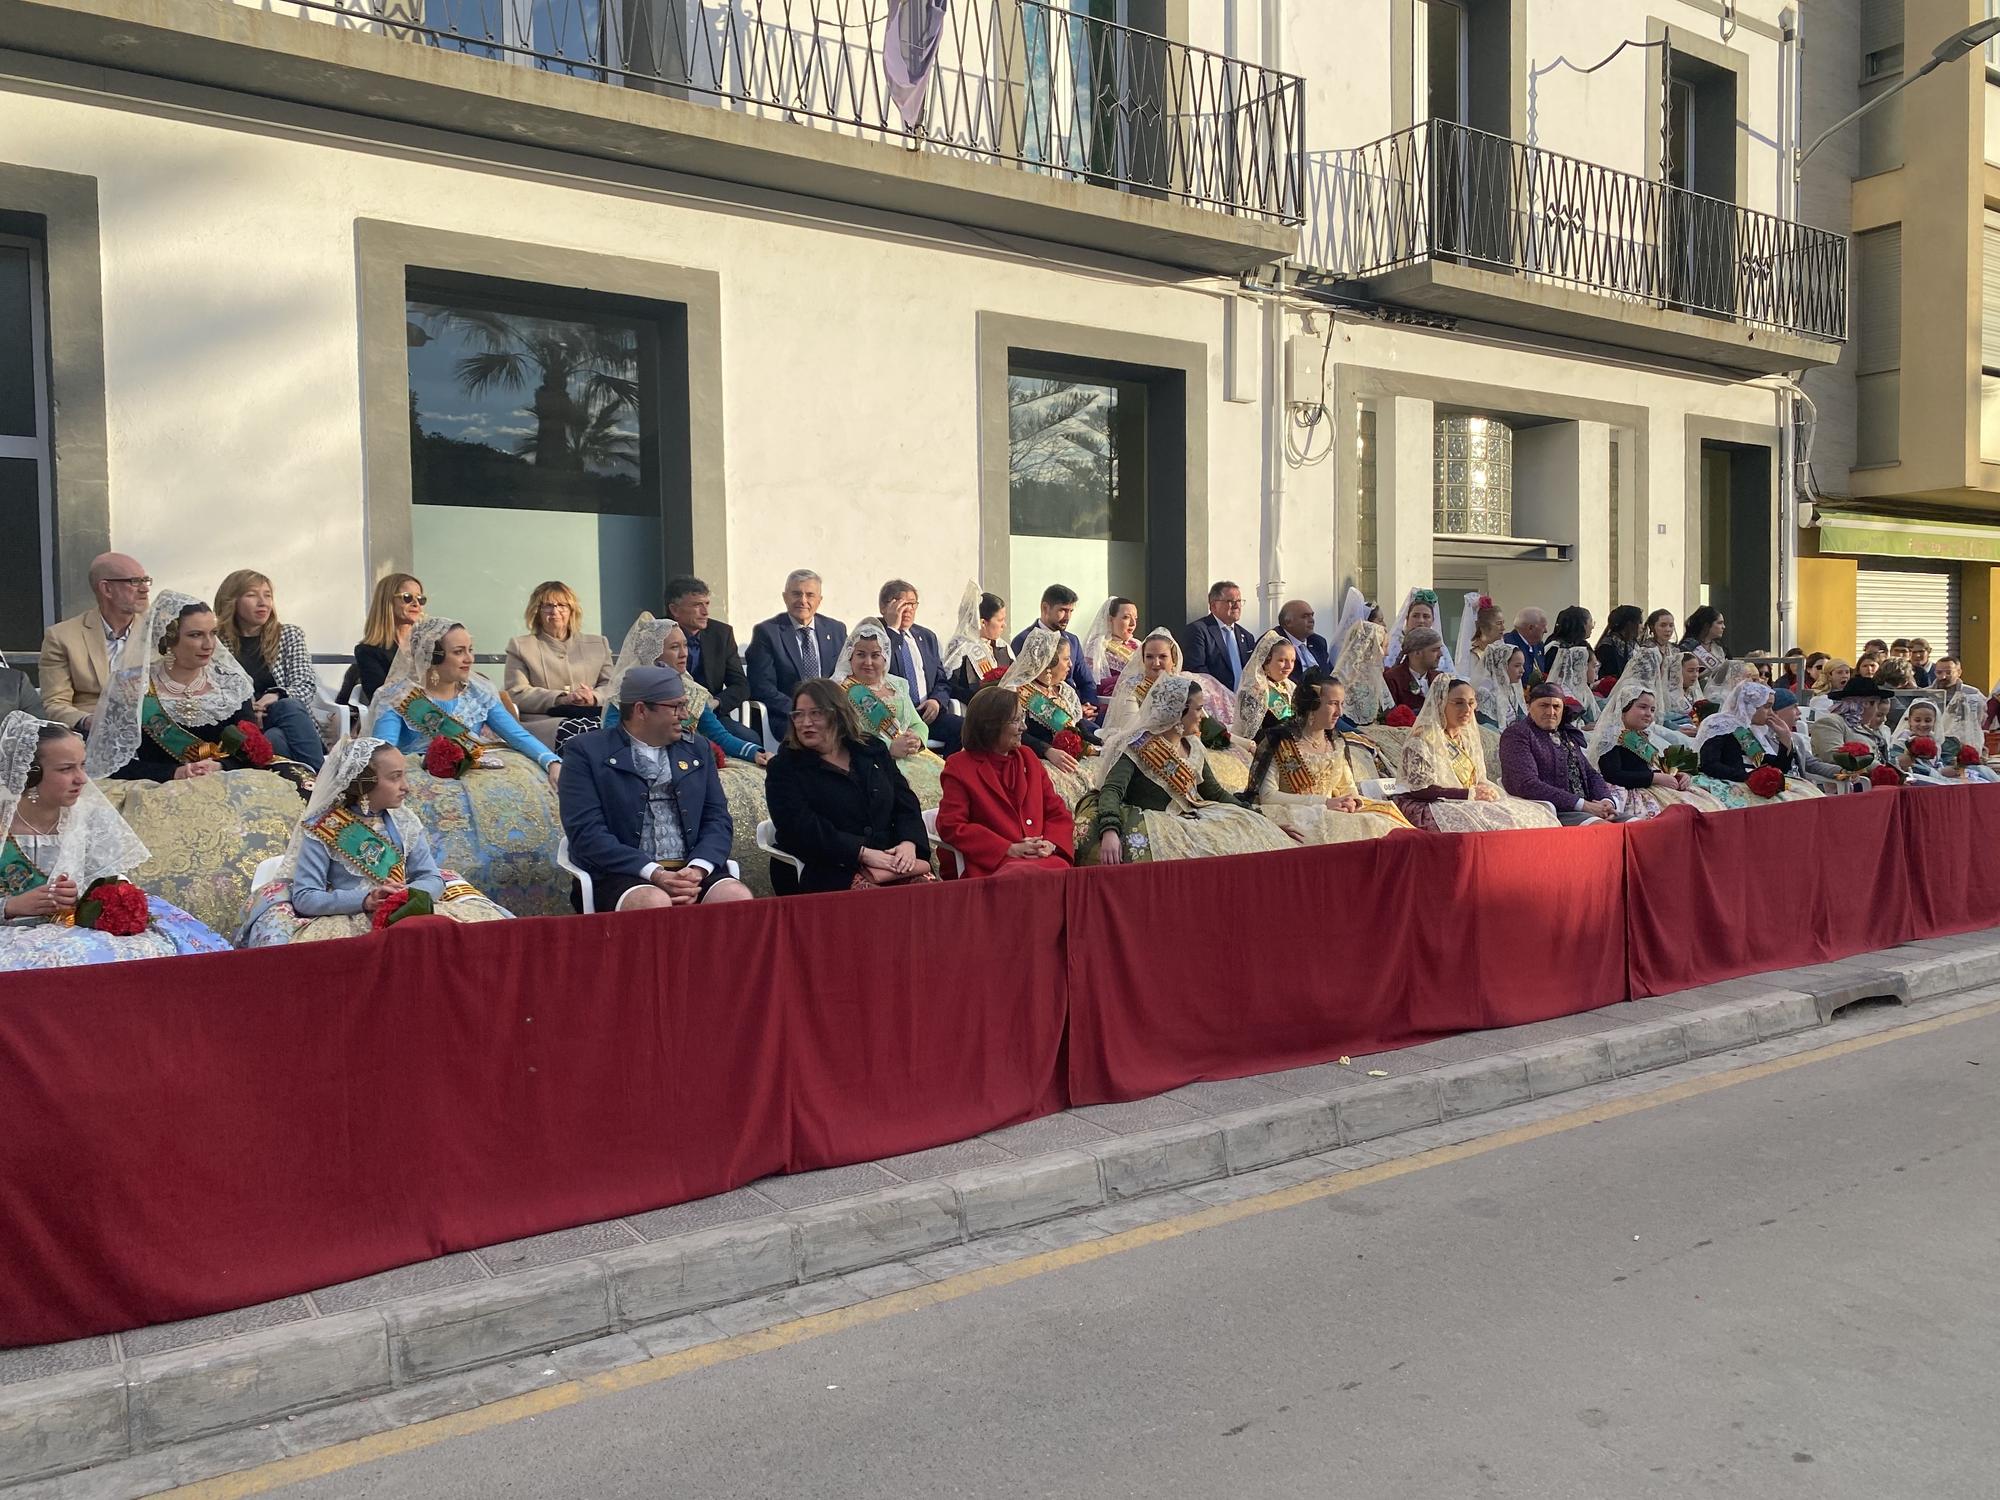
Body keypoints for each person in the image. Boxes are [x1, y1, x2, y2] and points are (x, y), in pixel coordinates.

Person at [1, 713, 231, 968]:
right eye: (66, 769)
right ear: (30, 772)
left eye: (83, 766)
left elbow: (111, 879)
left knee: (148, 952)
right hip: (12, 936)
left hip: (77, 930)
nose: (82, 779)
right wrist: (11, 906)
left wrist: (93, 897)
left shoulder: (87, 814)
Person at [239, 737, 512, 943]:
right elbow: (306, 898)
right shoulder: (322, 828)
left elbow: (431, 877)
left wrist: (409, 895)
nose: (406, 786)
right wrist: (366, 900)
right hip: (350, 918)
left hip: (406, 913)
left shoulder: (406, 822)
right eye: (395, 778)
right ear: (365, 784)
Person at [554, 664, 753, 911]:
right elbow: (586, 833)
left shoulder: (698, 749)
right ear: (641, 710)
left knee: (735, 896)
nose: (685, 714)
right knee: (653, 902)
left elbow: (718, 818)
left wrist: (698, 869)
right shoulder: (586, 752)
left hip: (692, 869)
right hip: (620, 872)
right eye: (676, 706)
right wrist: (654, 873)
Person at [83, 591, 301, 785]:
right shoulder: (130, 687)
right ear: (168, 639)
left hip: (228, 782)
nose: (209, 644)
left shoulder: (231, 684)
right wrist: (174, 773)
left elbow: (252, 748)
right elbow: (110, 764)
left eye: (213, 633)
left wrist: (220, 766)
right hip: (160, 789)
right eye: (195, 635)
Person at [1084, 673, 1293, 865]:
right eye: (1198, 708)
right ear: (1178, 712)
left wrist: (1258, 817)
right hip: (1158, 824)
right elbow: (1112, 790)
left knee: (1251, 836)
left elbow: (1214, 792)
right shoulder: (1138, 746)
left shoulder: (1193, 745)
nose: (1203, 715)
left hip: (1193, 817)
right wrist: (1110, 830)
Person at [763, 676, 932, 893]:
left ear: (838, 715)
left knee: (932, 897)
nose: (805, 723)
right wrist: (861, 853)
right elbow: (800, 828)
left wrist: (909, 843)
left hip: (888, 856)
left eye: (816, 713)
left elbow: (905, 801)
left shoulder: (871, 750)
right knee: (878, 903)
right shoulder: (784, 767)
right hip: (827, 866)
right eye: (799, 715)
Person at [366, 616, 561, 786]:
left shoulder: (478, 692)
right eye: (458, 652)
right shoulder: (398, 697)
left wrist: (551, 762)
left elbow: (517, 735)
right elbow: (383, 754)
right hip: (420, 776)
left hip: (476, 772)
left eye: (470, 650)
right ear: (433, 657)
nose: (469, 659)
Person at [1247, 675, 1413, 843]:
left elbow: (1347, 786)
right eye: (1333, 704)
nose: (1339, 713)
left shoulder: (1336, 743)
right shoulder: (1282, 742)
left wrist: (1351, 801)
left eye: (1341, 704)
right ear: (1313, 706)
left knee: (1388, 826)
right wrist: (1324, 803)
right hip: (1297, 815)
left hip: (1336, 811)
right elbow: (1268, 796)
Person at [936, 685, 1075, 879]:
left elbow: (1057, 811)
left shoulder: (1028, 758)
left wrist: (1050, 843)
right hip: (993, 865)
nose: (1024, 728)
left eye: (1022, 718)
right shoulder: (959, 766)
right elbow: (951, 825)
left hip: (1041, 858)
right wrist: (1009, 848)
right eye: (1016, 720)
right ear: (992, 725)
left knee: (1066, 876)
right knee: (1026, 876)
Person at [1393, 679, 1557, 832]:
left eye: (1471, 703)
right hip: (1429, 805)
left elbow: (1477, 779)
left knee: (1530, 813)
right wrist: (1468, 794)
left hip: (1465, 801)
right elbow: (1420, 790)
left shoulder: (1465, 738)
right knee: (1494, 822)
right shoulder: (1422, 741)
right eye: (1458, 703)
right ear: (1440, 704)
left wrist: (1488, 792)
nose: (1467, 710)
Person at [212, 569, 326, 772]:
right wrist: (248, 708)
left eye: (267, 595)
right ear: (232, 601)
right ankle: (321, 786)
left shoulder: (289, 635)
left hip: (288, 721)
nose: (263, 602)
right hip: (242, 722)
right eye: (252, 595)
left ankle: (315, 783)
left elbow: (306, 685)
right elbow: (212, 690)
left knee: (285, 709)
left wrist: (275, 695)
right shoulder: (216, 642)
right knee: (274, 738)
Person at [38, 551, 152, 732]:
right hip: (90, 735)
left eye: (145, 580)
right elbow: (55, 703)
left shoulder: (159, 632)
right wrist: (89, 721)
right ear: (106, 589)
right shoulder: (61, 636)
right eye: (134, 581)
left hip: (152, 730)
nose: (145, 589)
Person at [834, 620, 945, 804]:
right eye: (861, 655)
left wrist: (916, 739)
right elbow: (846, 736)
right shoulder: (841, 690)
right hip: (870, 762)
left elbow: (917, 723)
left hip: (911, 755)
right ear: (850, 657)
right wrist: (889, 747)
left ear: (885, 657)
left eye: (875, 655)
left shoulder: (898, 684)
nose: (868, 662)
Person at [504, 580, 613, 750]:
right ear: (537, 611)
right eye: (548, 606)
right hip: (546, 723)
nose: (555, 611)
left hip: (592, 714)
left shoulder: (598, 644)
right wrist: (561, 698)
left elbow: (612, 686)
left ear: (572, 610)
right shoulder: (521, 646)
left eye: (562, 605)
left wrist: (593, 697)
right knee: (577, 733)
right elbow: (516, 693)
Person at [999, 625, 1101, 806]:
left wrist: (1100, 743)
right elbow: (1014, 735)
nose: (1070, 665)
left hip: (1063, 757)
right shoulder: (1016, 691)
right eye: (1066, 659)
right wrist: (1048, 751)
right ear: (1048, 663)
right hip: (1031, 757)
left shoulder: (1065, 691)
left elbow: (1076, 727)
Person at [746, 569, 847, 742]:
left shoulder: (836, 630)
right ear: (785, 597)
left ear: (819, 600)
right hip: (789, 715)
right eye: (796, 594)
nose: (803, 601)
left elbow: (846, 675)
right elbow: (762, 687)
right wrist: (804, 711)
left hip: (831, 713)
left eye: (810, 595)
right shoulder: (768, 633)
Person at [1588, 683, 1719, 814]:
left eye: (1652, 710)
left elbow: (1655, 766)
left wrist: (1677, 775)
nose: (1648, 714)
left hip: (1652, 786)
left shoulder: (1642, 736)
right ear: (1623, 708)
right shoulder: (1611, 738)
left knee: (1707, 806)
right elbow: (1613, 775)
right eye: (1642, 707)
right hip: (1631, 792)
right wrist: (1654, 778)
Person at [1499, 683, 1621, 824]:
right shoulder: (1518, 734)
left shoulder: (1566, 734)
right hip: (1553, 811)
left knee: (1635, 825)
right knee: (1605, 830)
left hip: (1588, 809)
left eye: (1556, 706)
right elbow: (1526, 784)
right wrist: (1583, 805)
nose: (1551, 712)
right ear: (1529, 706)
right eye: (1543, 705)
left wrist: (1606, 802)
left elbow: (1591, 774)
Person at [873, 579, 961, 755]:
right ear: (884, 607)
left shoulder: (926, 637)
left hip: (927, 712)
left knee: (965, 728)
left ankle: (947, 775)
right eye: (901, 603)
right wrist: (892, 628)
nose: (908, 610)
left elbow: (941, 680)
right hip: (893, 716)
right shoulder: (875, 634)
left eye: (912, 604)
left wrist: (937, 701)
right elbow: (882, 664)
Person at [1696, 679, 1803, 800]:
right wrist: (1747, 776)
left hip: (1741, 782)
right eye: (1767, 707)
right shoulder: (1719, 725)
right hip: (1723, 785)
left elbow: (1770, 764)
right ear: (1751, 706)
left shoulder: (1742, 731)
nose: (1771, 713)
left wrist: (1785, 739)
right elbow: (1709, 765)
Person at [665, 575, 748, 722]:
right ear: (675, 610)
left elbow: (741, 686)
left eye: (707, 604)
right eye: (697, 605)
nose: (705, 612)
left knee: (749, 738)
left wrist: (715, 702)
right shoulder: (657, 633)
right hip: (668, 716)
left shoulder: (722, 634)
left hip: (713, 714)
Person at [346, 573, 425, 707]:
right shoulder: (368, 651)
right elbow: (381, 698)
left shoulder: (432, 644)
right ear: (387, 602)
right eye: (407, 597)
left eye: (420, 599)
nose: (416, 604)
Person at [1180, 580, 1259, 692]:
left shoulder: (1247, 636)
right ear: (1213, 606)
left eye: (1239, 601)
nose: (1236, 606)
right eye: (1231, 601)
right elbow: (1197, 671)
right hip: (1214, 702)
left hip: (1242, 703)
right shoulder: (1198, 631)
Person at [942, 583, 1012, 703]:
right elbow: (953, 687)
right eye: (1000, 620)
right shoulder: (961, 649)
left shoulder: (1003, 647)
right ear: (983, 623)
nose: (1004, 625)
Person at [1812, 674, 1895, 768]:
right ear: (1866, 704)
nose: (1876, 710)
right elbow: (1833, 757)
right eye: (1876, 704)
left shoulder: (1865, 727)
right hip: (1854, 780)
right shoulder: (1830, 722)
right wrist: (1878, 769)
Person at [1232, 632, 1298, 741]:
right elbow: (1250, 735)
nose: (1289, 666)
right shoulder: (1253, 691)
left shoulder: (1291, 687)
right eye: (1282, 660)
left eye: (1292, 661)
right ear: (1266, 661)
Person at [1329, 616, 1390, 725]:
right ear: (1370, 646)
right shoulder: (1341, 679)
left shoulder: (1376, 678)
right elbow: (1336, 719)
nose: (1386, 653)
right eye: (1383, 647)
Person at [1079, 595, 1142, 700]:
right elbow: (1095, 684)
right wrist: (1129, 679)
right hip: (1112, 704)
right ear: (1110, 619)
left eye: (1135, 618)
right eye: (1126, 617)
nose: (1133, 623)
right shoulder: (1097, 646)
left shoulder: (1137, 644)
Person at [1383, 588, 1453, 678]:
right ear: (1407, 618)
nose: (1421, 621)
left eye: (1426, 616)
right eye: (1415, 616)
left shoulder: (1441, 649)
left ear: (1433, 620)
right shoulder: (1393, 645)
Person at [1381, 627, 1446, 716]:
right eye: (1434, 650)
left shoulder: (1439, 678)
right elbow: (1389, 717)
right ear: (1417, 653)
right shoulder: (1392, 679)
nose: (1440, 654)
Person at [1470, 641, 1526, 731]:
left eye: (1522, 665)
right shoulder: (1485, 692)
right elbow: (1488, 728)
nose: (1522, 670)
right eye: (1517, 666)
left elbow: (1521, 716)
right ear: (1501, 666)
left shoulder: (1511, 687)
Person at [1277, 599, 1331, 680]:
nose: (1311, 620)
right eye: (1305, 616)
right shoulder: (1274, 643)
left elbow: (1328, 673)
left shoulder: (1318, 641)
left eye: (1312, 615)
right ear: (1288, 622)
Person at [1679, 606, 1728, 692]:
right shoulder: (1688, 647)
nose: (1723, 627)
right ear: (1707, 625)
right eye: (1719, 623)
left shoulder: (1719, 648)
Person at [1594, 605, 1643, 683]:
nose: (1642, 627)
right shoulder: (1607, 647)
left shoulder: (1634, 645)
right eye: (1640, 622)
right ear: (1629, 624)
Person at [1504, 607, 1550, 680]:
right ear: (1530, 628)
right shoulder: (1507, 645)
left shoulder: (1539, 645)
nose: (1546, 631)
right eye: (1543, 626)